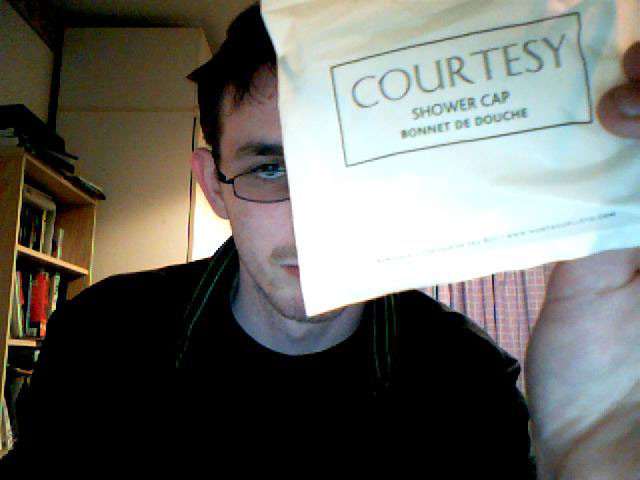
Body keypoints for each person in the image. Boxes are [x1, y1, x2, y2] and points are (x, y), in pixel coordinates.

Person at [2, 4, 638, 477]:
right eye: (270, 168)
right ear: (215, 187)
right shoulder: (102, 336)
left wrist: (588, 459)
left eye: (346, 168)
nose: (315, 220)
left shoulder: (468, 382)